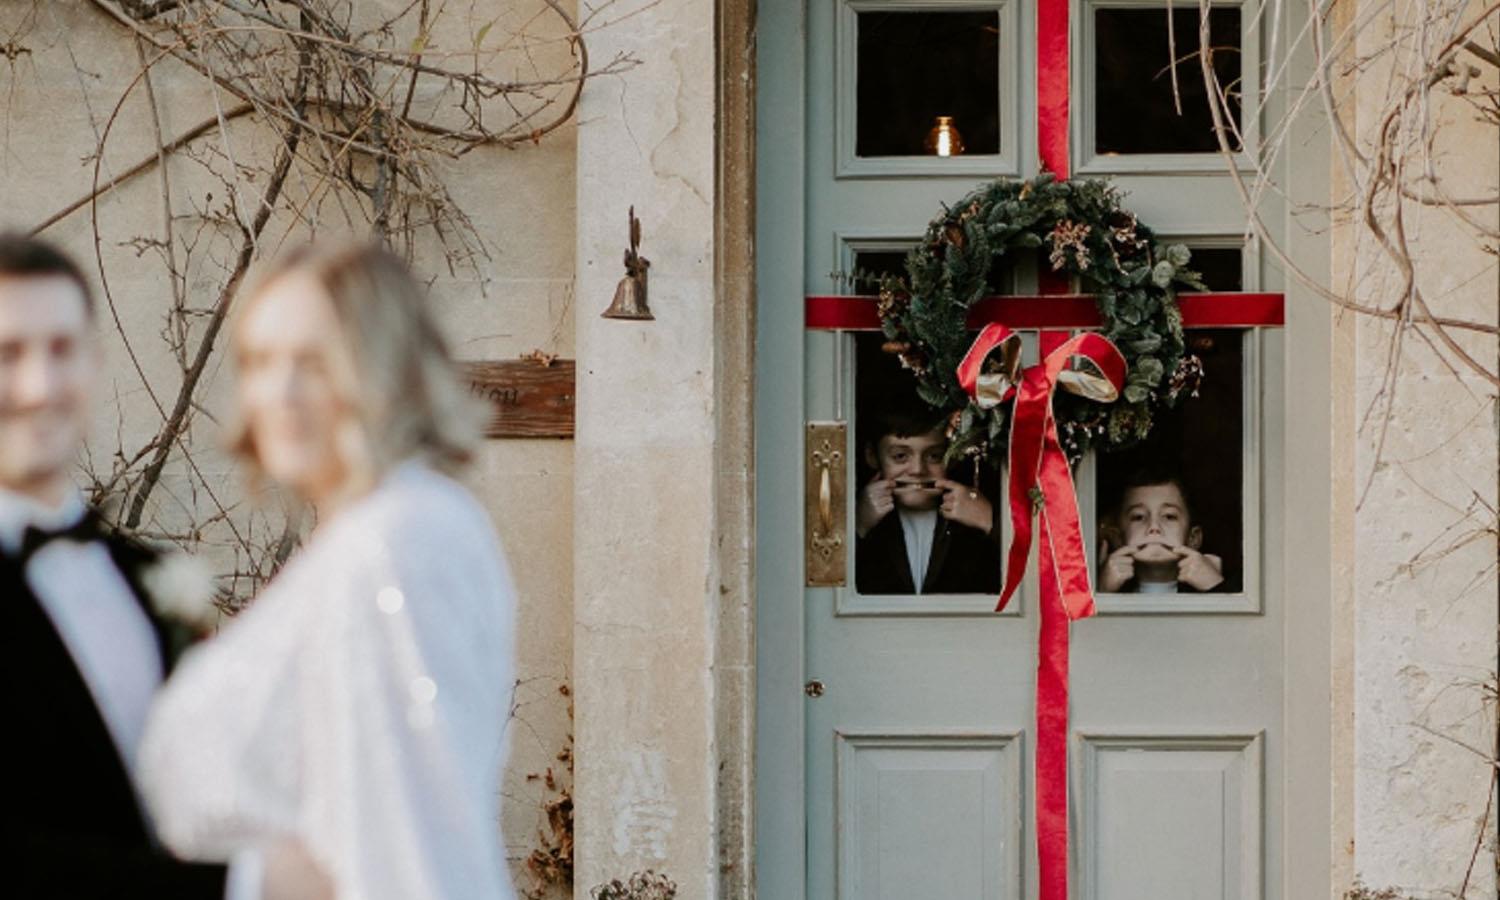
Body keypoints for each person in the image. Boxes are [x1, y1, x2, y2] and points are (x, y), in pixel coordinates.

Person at [137, 244, 519, 900]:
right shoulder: (380, 531)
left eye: (314, 363)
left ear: (387, 370)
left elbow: (408, 848)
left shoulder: (394, 544)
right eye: (260, 362)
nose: (280, 393)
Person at [0, 234, 330, 900]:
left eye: (62, 350)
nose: (40, 387)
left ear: (95, 364)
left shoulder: (147, 575)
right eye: (9, 354)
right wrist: (245, 884)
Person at [855, 405, 1000, 594]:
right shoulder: (861, 516)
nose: (917, 470)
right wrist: (858, 525)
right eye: (900, 456)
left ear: (954, 456)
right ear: (872, 456)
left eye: (934, 456)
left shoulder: (973, 515)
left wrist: (989, 521)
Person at [1097, 466, 1223, 593]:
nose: (1154, 527)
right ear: (1118, 538)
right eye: (1139, 517)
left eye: (1169, 516)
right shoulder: (1103, 588)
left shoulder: (1220, 585)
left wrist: (1216, 586)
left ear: (1193, 538)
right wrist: (1101, 591)